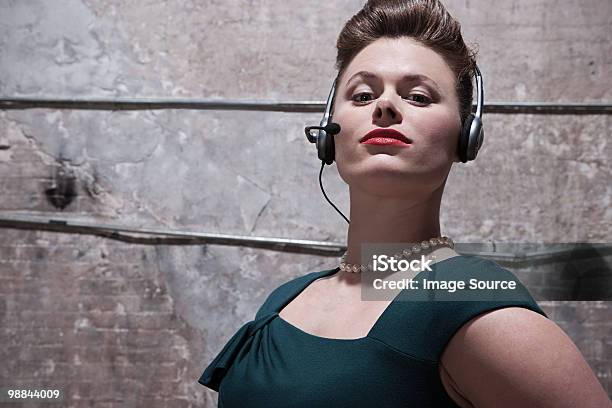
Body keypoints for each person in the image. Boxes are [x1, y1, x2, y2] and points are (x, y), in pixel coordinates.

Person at [199, 1, 611, 407]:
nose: (385, 105)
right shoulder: (283, 301)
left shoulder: (473, 303)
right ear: (329, 131)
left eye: (418, 96)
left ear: (465, 136)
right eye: (362, 95)